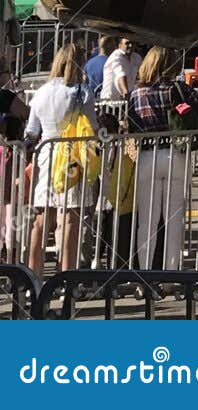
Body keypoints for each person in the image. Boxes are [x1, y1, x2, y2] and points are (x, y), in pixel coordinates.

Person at [127, 46, 198, 271]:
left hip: (147, 156)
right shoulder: (178, 89)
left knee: (146, 221)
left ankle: (145, 273)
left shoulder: (135, 94)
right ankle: (171, 273)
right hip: (176, 154)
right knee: (174, 219)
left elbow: (132, 128)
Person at [25, 44, 96, 275]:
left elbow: (31, 130)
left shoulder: (41, 92)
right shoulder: (82, 92)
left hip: (46, 154)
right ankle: (66, 276)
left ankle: (33, 276)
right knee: (70, 220)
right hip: (71, 156)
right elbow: (91, 128)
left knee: (41, 218)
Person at [0, 69, 29, 262]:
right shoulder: (4, 96)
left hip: (6, 152)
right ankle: (11, 258)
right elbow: (27, 113)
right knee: (9, 207)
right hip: (6, 154)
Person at [100, 37, 140, 104]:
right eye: (127, 43)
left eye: (132, 43)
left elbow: (141, 73)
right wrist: (125, 92)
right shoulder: (116, 57)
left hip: (126, 101)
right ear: (120, 45)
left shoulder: (137, 57)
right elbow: (121, 75)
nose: (131, 45)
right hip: (110, 102)